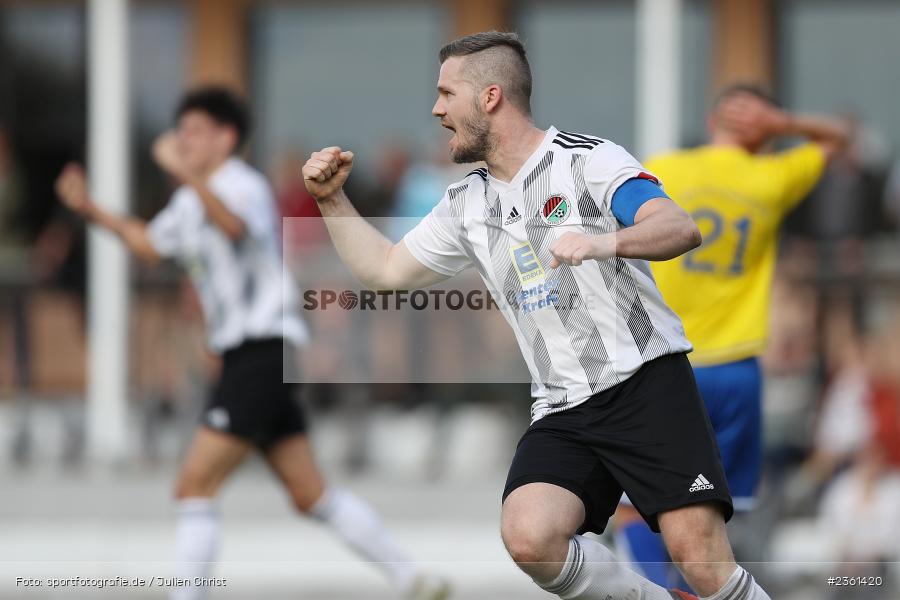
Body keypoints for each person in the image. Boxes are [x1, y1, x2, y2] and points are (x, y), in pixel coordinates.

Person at [302, 31, 772, 600]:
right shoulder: (464, 203)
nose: (436, 109)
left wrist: (603, 243)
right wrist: (331, 200)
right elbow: (383, 270)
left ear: (491, 97)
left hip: (647, 385)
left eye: (447, 93)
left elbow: (679, 226)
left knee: (698, 557)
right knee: (530, 536)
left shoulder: (587, 161)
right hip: (563, 405)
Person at [54, 87, 449, 600]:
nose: (183, 142)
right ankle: (413, 578)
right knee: (311, 495)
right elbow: (149, 244)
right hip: (251, 354)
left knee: (193, 485)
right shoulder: (192, 198)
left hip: (266, 347)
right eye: (180, 133)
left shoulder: (241, 185)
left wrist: (187, 174)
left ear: (227, 137)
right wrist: (87, 208)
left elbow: (235, 228)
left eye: (193, 132)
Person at [613, 85, 850, 589]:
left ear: (712, 118)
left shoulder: (665, 167)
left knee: (635, 508)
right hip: (738, 372)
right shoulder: (770, 178)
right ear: (763, 130)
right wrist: (783, 122)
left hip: (666, 363)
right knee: (713, 519)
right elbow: (841, 137)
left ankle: (658, 591)